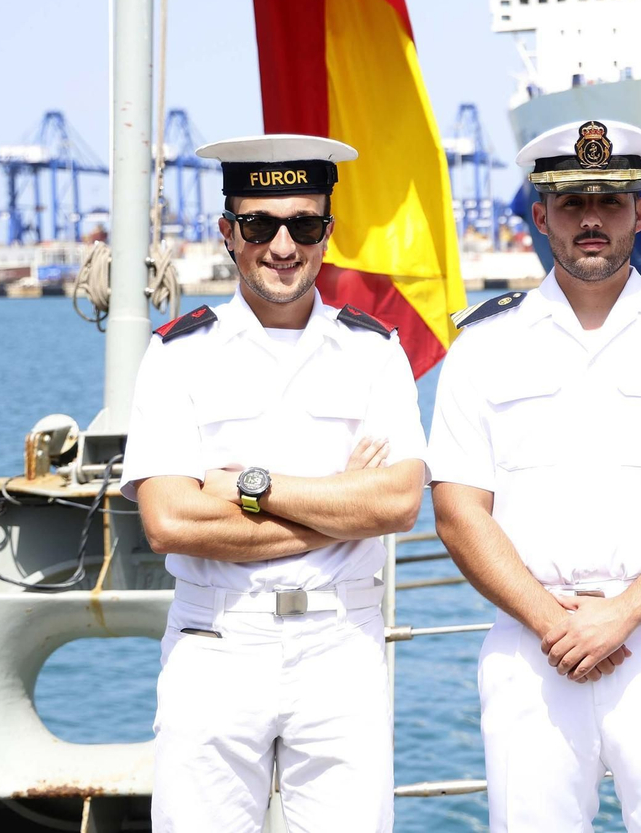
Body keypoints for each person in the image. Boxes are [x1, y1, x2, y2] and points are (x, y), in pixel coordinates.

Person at [427, 119, 641, 833]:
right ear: (541, 216)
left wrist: (623, 613)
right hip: (532, 644)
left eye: (610, 201)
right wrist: (554, 623)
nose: (592, 220)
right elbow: (458, 511)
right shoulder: (482, 347)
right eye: (572, 203)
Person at [121, 135, 427, 833]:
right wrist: (340, 504)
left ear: (328, 232)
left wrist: (249, 487)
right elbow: (170, 522)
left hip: (341, 643)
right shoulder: (176, 354)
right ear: (227, 232)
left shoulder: (374, 350)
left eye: (304, 226)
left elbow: (397, 502)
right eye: (260, 225)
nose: (283, 246)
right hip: (215, 639)